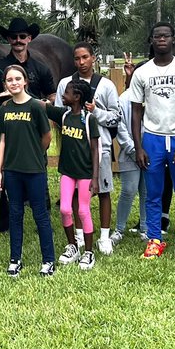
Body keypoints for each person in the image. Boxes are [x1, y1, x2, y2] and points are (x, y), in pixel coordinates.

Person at [0, 16, 56, 244]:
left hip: (33, 132)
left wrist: (43, 104)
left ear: (29, 38)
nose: (18, 40)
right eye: (14, 37)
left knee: (38, 176)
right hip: (3, 130)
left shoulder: (41, 68)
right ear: (8, 39)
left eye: (22, 36)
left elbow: (52, 99)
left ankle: (41, 221)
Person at [128, 21, 175, 263]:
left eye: (166, 36)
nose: (161, 39)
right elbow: (136, 112)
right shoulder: (142, 72)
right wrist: (139, 147)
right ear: (151, 40)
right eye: (157, 36)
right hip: (152, 139)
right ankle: (154, 239)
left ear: (173, 39)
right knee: (153, 193)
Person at [55, 42, 120, 255]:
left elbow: (116, 117)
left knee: (102, 191)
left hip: (99, 148)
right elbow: (58, 113)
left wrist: (96, 112)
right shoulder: (66, 83)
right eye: (77, 58)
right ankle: (80, 235)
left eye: (85, 57)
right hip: (74, 150)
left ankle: (103, 236)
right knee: (74, 193)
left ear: (93, 58)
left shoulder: (106, 85)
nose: (81, 62)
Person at [0, 64, 56, 277]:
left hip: (35, 170)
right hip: (12, 170)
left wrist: (36, 153)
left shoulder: (36, 106)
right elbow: (2, 140)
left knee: (40, 215)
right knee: (15, 214)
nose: (14, 83)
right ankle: (15, 259)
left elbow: (46, 136)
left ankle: (48, 260)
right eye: (9, 80)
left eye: (17, 79)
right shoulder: (4, 109)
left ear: (25, 81)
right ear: (5, 84)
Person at [47, 79, 100, 270]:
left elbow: (95, 149)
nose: (63, 95)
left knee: (83, 211)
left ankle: (88, 252)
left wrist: (95, 178)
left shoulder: (89, 119)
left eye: (67, 93)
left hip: (85, 173)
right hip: (67, 172)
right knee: (65, 210)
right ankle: (72, 247)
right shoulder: (64, 115)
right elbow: (43, 106)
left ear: (76, 97)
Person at [111, 97, 145, 244]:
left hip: (152, 151)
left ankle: (145, 228)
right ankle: (119, 229)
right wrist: (134, 150)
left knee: (147, 192)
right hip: (129, 153)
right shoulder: (124, 99)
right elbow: (120, 127)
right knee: (128, 190)